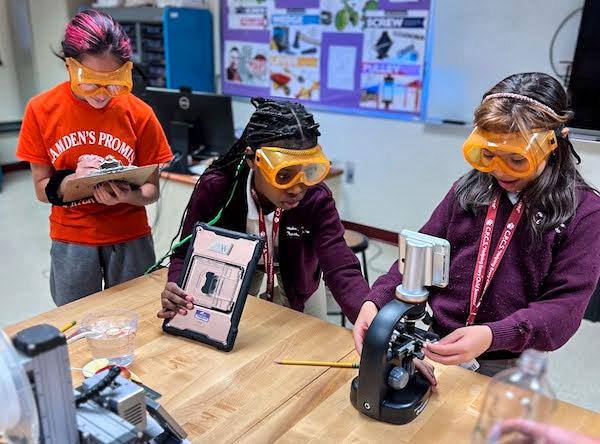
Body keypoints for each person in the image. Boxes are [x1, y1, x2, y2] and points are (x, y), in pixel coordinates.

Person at [353, 72, 600, 378]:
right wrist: (377, 300)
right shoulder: (470, 189)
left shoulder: (583, 213)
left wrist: (494, 335)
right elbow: (421, 252)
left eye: (516, 159)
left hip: (509, 360)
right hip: (438, 342)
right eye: (488, 155)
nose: (498, 170)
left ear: (553, 144)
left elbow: (565, 307)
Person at [157, 97, 369, 322]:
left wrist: (372, 320)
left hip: (299, 271)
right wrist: (178, 286)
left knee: (309, 330)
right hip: (236, 270)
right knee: (237, 329)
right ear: (252, 159)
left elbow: (341, 266)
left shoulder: (316, 198)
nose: (297, 188)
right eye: (283, 175)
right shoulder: (218, 188)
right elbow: (185, 251)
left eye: (309, 171)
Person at [16, 10, 172, 306]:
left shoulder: (139, 114)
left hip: (130, 235)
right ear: (69, 66)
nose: (101, 95)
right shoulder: (41, 110)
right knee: (76, 321)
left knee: (137, 313)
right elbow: (40, 188)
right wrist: (72, 180)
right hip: (72, 237)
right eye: (90, 82)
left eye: (113, 83)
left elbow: (151, 191)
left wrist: (127, 196)